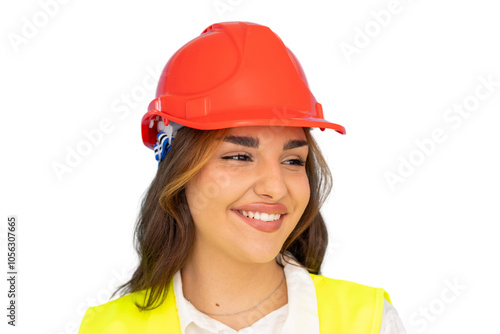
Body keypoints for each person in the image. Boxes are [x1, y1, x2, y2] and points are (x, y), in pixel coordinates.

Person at [77, 21, 406, 333]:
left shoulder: (370, 322)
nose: (275, 188)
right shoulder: (109, 328)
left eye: (292, 160)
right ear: (177, 168)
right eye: (239, 156)